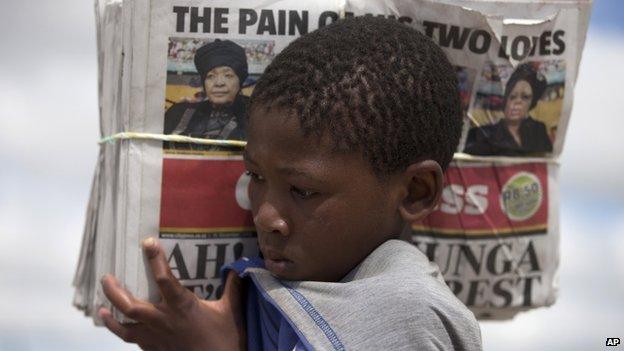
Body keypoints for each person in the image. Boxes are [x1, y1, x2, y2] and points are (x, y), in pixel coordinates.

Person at [99, 17, 482, 350]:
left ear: (416, 190)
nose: (265, 217)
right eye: (256, 177)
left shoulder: (404, 317)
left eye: (303, 191)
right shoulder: (267, 300)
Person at [164, 39, 248, 143]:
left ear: (240, 81)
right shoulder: (178, 113)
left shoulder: (256, 117)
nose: (219, 83)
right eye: (211, 76)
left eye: (228, 75)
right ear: (204, 83)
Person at [464, 63, 553, 156]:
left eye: (525, 97)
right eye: (513, 96)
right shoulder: (480, 134)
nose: (517, 102)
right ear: (505, 100)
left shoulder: (538, 130)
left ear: (532, 104)